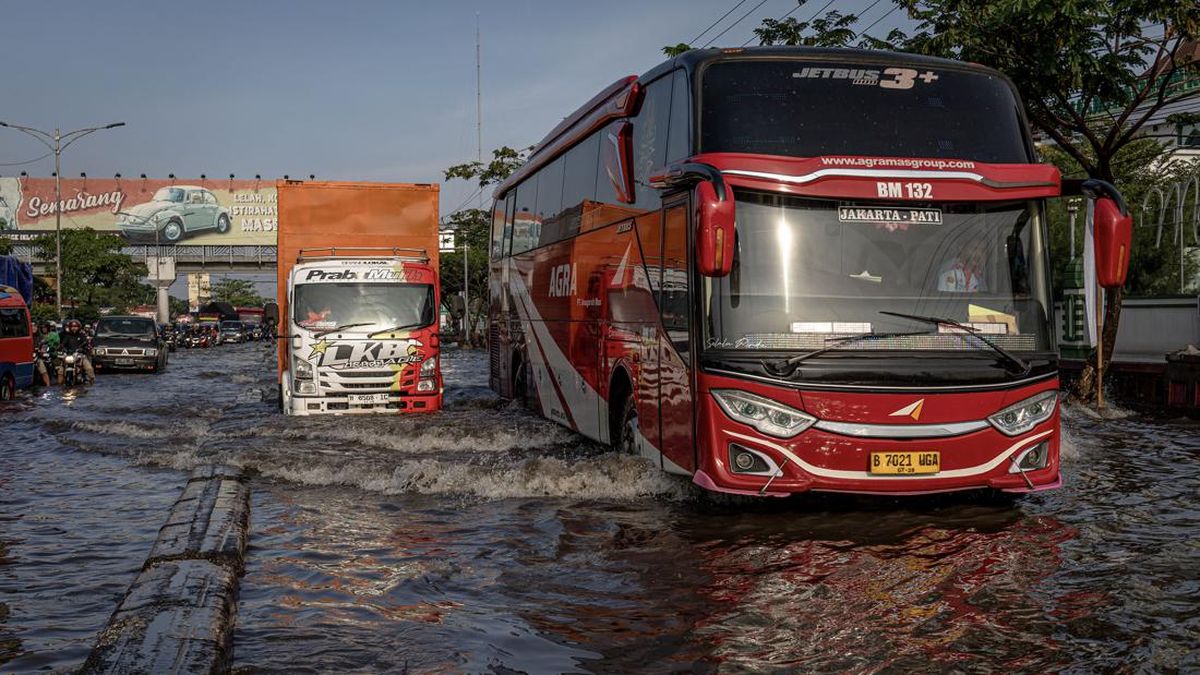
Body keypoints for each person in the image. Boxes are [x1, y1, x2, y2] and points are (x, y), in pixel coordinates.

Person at [57, 318, 95, 385]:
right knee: (60, 370)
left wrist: (85, 348)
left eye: (76, 326)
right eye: (72, 327)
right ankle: (60, 384)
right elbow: (63, 344)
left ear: (79, 327)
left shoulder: (82, 335)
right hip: (69, 355)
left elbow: (86, 344)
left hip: (80, 355)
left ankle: (92, 382)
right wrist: (61, 348)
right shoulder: (67, 336)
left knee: (89, 368)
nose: (74, 328)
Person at [32, 321, 58, 387]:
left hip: (38, 357)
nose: (33, 328)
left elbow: (45, 345)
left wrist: (42, 350)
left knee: (43, 370)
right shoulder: (28, 337)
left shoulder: (41, 337)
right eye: (32, 327)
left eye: (35, 327)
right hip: (28, 357)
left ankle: (48, 385)